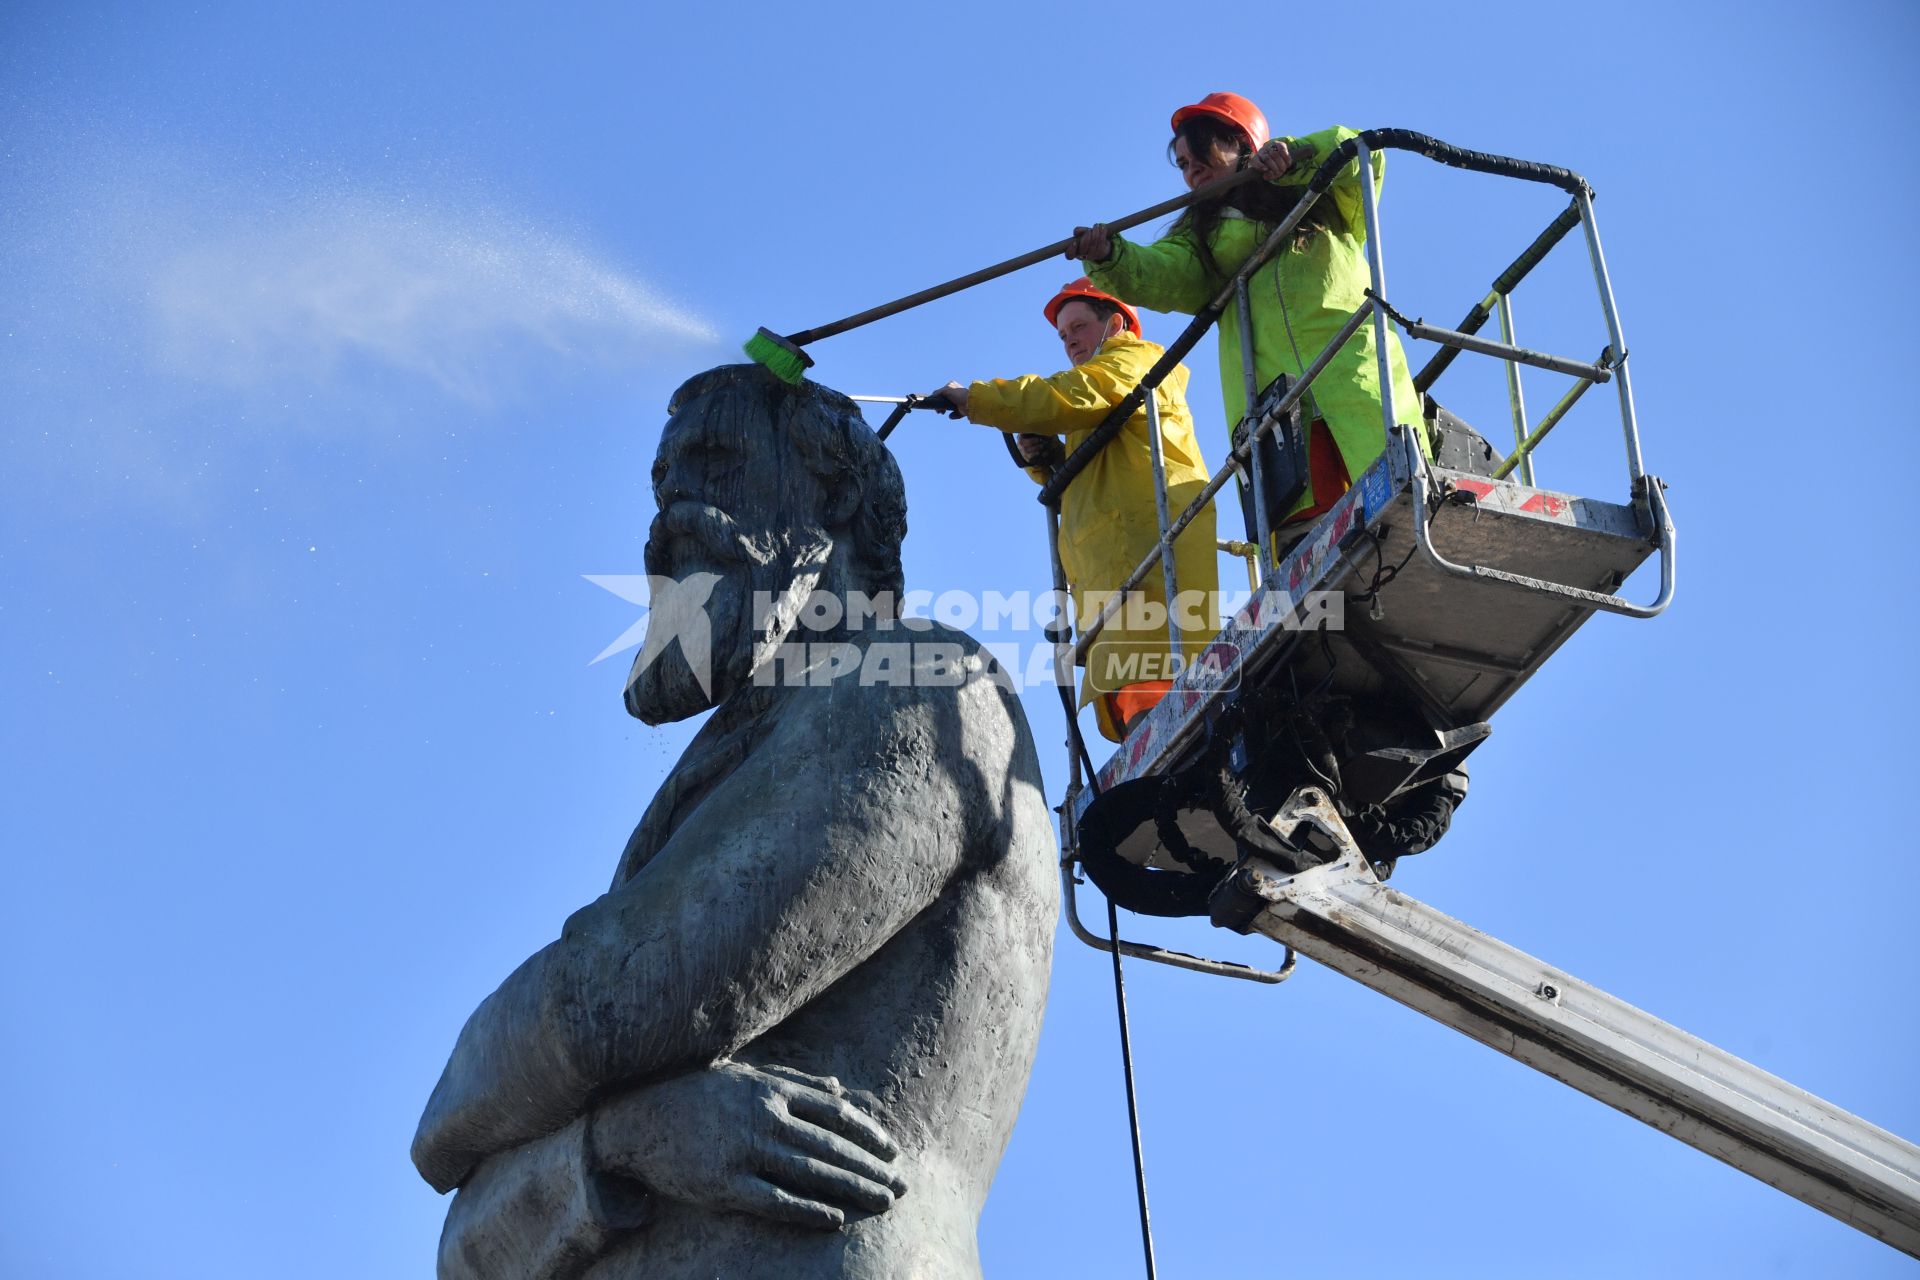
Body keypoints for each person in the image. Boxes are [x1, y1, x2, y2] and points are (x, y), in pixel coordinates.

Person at [412, 365, 1059, 1279]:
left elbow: (612, 999)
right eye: (660, 482)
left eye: (714, 461)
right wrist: (619, 1142)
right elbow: (465, 1251)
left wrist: (464, 1115)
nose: (672, 510)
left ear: (828, 498)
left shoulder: (919, 683)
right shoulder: (741, 757)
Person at [1071, 92, 1424, 552]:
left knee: (1399, 503)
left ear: (1242, 144)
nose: (1191, 169)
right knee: (1313, 546)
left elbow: (1360, 151)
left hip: (1353, 373)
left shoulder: (1319, 192)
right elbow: (1162, 273)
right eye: (1181, 163)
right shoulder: (1201, 241)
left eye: (1201, 153)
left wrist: (1295, 157)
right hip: (1278, 411)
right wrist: (1110, 255)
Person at [931, 279, 1218, 742]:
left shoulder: (1134, 361)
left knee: (1171, 714)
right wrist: (1050, 462)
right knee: (1146, 722)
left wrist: (977, 399)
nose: (1069, 342)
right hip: (1114, 587)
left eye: (1079, 327)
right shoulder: (1105, 400)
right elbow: (1093, 482)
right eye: (1063, 336)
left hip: (1146, 573)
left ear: (1116, 325)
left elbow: (1066, 395)